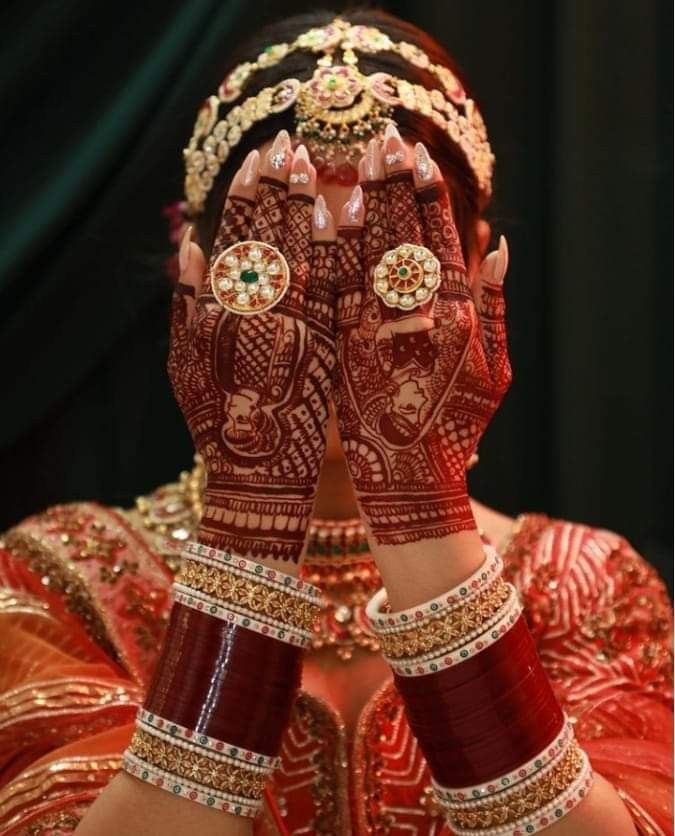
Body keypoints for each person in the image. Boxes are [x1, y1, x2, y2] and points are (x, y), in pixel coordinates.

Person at [0, 11, 671, 836]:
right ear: (195, 270)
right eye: (284, 264)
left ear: (474, 271)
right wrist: (251, 506)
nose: (338, 318)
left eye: (393, 264)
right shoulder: (59, 580)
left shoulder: (585, 585)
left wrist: (418, 501)